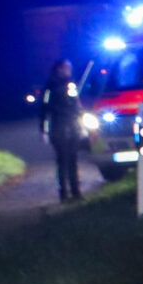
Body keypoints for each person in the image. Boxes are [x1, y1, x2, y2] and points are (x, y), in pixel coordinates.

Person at [40, 57, 84, 201]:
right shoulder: (50, 86)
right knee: (62, 160)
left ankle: (76, 191)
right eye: (66, 67)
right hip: (58, 126)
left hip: (72, 126)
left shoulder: (71, 84)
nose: (69, 70)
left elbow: (76, 104)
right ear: (59, 69)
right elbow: (44, 109)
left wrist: (81, 120)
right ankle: (63, 193)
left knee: (72, 158)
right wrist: (44, 129)